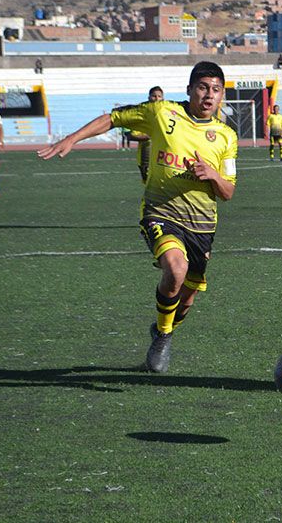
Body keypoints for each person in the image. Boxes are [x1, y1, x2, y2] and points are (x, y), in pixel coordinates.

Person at [37, 62, 238, 373]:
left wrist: (212, 175)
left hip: (202, 225)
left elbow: (227, 192)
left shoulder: (226, 136)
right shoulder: (162, 112)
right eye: (202, 87)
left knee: (186, 301)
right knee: (176, 268)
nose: (208, 95)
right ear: (189, 90)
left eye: (215, 90)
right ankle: (164, 337)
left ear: (222, 95)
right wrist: (73, 139)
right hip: (161, 212)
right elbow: (113, 118)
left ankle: (161, 328)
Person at [125, 86, 162, 182]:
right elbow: (130, 135)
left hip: (163, 159)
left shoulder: (167, 114)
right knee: (150, 186)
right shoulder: (142, 114)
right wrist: (149, 136)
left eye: (159, 96)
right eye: (154, 96)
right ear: (149, 97)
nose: (157, 99)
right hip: (146, 159)